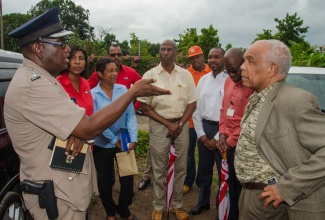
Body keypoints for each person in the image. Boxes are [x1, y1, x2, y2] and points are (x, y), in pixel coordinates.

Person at [4, 7, 169, 220]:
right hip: (56, 193)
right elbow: (88, 126)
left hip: (63, 185)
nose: (67, 50)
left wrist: (75, 131)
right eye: (61, 44)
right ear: (38, 48)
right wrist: (133, 92)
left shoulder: (43, 79)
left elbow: (74, 122)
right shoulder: (34, 85)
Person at [234, 39, 325, 220]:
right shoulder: (257, 98)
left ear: (272, 69)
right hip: (252, 196)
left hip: (271, 202)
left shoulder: (295, 100)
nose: (242, 67)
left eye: (250, 61)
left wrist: (286, 189)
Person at [138, 39, 198, 220]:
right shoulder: (150, 75)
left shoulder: (185, 75)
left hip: (181, 125)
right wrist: (168, 124)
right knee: (159, 167)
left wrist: (178, 125)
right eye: (162, 49)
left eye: (169, 49)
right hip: (159, 125)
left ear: (176, 53)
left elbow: (192, 104)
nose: (165, 52)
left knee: (181, 167)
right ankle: (158, 206)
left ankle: (177, 205)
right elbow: (144, 107)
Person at [91, 58, 138, 220]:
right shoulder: (93, 94)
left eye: (115, 70)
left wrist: (133, 138)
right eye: (110, 70)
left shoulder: (123, 90)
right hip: (102, 142)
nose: (114, 73)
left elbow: (130, 115)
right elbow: (98, 121)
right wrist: (113, 141)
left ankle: (124, 210)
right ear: (100, 74)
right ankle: (110, 212)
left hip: (124, 137)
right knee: (104, 180)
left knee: (127, 177)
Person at [215, 48, 253, 219]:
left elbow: (249, 120)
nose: (231, 75)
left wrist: (229, 140)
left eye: (234, 70)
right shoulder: (228, 81)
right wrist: (222, 134)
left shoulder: (252, 85)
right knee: (227, 182)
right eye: (228, 71)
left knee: (241, 186)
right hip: (226, 141)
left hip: (242, 145)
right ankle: (226, 214)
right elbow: (224, 110)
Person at [190, 47, 227, 216]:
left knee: (222, 172)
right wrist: (201, 134)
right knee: (204, 171)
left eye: (217, 57)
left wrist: (218, 137)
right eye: (210, 57)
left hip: (223, 132)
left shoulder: (230, 81)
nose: (213, 60)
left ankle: (223, 207)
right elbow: (196, 108)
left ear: (224, 59)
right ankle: (203, 203)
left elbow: (231, 113)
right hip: (205, 129)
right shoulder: (203, 80)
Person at [183, 45, 211, 194]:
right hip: (189, 121)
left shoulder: (212, 72)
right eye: (192, 58)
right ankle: (189, 180)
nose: (195, 60)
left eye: (197, 56)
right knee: (188, 153)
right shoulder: (186, 74)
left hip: (204, 121)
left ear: (202, 56)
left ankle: (201, 181)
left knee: (204, 154)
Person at [88, 44, 142, 112]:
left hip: (124, 113)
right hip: (104, 114)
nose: (116, 57)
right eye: (113, 55)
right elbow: (87, 90)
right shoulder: (99, 74)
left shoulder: (131, 72)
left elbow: (144, 87)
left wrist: (136, 107)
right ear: (107, 56)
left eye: (119, 54)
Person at [56, 45, 93, 116]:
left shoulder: (86, 83)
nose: (77, 62)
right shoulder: (57, 84)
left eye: (81, 58)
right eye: (73, 58)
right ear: (66, 60)